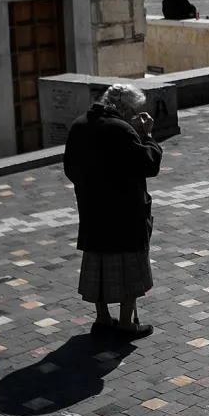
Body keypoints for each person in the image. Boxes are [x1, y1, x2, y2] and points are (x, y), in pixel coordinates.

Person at [63, 84, 163, 338]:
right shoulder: (121, 129)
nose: (134, 115)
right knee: (129, 267)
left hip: (93, 210)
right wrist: (148, 136)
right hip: (124, 214)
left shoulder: (79, 125)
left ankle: (103, 319)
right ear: (125, 108)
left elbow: (70, 169)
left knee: (99, 265)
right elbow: (148, 164)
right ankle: (127, 323)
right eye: (134, 111)